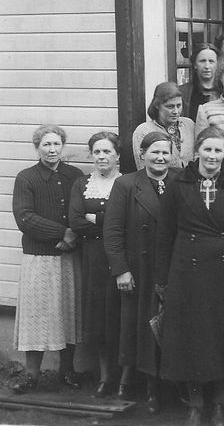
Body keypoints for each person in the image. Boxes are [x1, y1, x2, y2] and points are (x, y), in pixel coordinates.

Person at [155, 127, 224, 426]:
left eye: (218, 151)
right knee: (192, 338)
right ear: (197, 151)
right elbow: (165, 234)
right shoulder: (180, 183)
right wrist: (162, 280)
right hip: (187, 270)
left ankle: (219, 403)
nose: (213, 156)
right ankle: (195, 403)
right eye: (208, 150)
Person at [104, 132, 177, 414]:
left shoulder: (179, 181)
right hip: (141, 270)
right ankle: (151, 389)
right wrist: (121, 270)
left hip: (173, 268)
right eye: (154, 152)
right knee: (144, 330)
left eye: (165, 153)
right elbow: (112, 231)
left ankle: (173, 387)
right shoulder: (126, 184)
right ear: (142, 154)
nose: (160, 158)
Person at [11, 125, 84, 394]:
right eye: (46, 145)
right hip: (39, 258)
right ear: (37, 148)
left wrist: (72, 235)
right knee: (36, 314)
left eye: (56, 145)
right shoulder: (26, 178)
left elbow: (81, 211)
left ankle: (68, 370)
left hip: (69, 257)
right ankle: (32, 374)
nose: (52, 150)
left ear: (62, 146)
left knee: (68, 312)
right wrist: (60, 232)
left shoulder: (75, 175)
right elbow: (24, 217)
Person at [69, 132, 123, 397]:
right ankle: (105, 377)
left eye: (107, 152)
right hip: (92, 257)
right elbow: (77, 221)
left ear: (117, 155)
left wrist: (97, 218)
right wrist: (109, 219)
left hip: (121, 257)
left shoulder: (126, 183)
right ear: (91, 155)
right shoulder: (82, 184)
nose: (102, 157)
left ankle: (126, 378)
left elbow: (128, 222)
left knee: (121, 314)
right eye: (97, 152)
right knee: (99, 316)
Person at [132, 82, 195, 169]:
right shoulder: (143, 131)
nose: (176, 111)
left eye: (179, 105)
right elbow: (143, 168)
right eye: (170, 106)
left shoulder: (189, 125)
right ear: (157, 105)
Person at [180, 43, 219, 121]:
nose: (207, 66)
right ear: (195, 64)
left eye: (211, 61)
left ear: (217, 64)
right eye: (202, 61)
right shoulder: (183, 92)